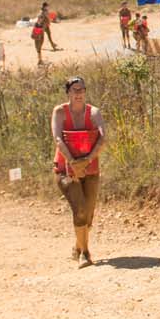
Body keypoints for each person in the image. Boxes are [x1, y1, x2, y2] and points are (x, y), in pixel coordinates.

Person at [52, 77, 105, 266]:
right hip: (66, 168)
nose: (79, 94)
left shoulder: (94, 112)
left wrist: (87, 160)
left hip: (90, 168)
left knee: (88, 214)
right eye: (75, 90)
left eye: (82, 90)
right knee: (80, 209)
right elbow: (58, 139)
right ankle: (85, 253)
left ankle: (77, 246)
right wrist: (74, 163)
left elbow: (103, 137)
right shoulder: (59, 112)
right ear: (68, 92)